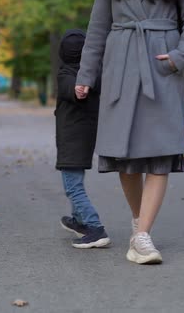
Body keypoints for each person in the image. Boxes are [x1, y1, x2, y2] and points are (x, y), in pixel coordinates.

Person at [75, 0, 184, 264]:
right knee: (125, 153)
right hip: (120, 67)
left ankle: (143, 236)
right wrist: (86, 75)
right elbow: (98, 27)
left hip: (162, 68)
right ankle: (139, 223)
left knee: (161, 151)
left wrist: (179, 57)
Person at [55, 29, 111, 249]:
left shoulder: (66, 73)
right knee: (75, 181)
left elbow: (70, 87)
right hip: (85, 138)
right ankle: (78, 221)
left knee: (73, 187)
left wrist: (77, 89)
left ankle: (95, 227)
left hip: (71, 140)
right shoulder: (95, 72)